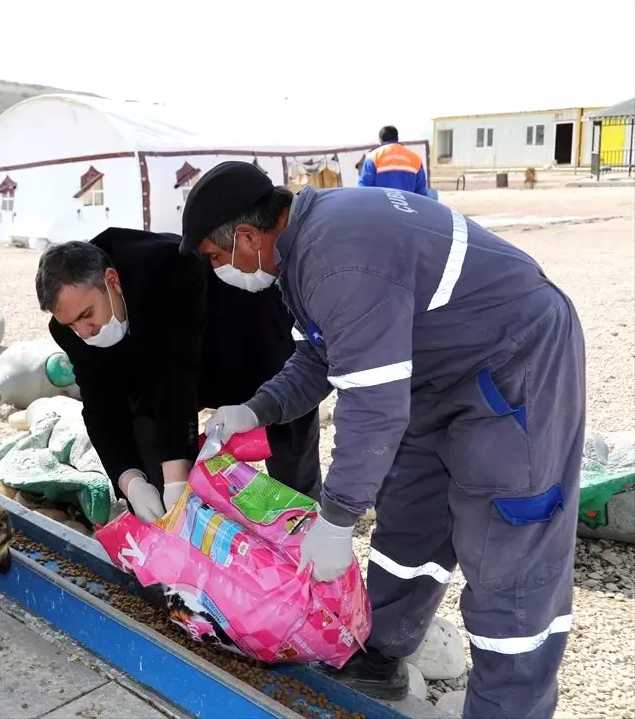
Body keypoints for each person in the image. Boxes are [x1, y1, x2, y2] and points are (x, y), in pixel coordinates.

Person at [178, 162, 584, 719]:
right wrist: (256, 410)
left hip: (514, 363)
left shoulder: (337, 257)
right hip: (432, 369)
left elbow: (372, 406)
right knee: (409, 514)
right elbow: (320, 356)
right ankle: (383, 651)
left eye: (217, 258)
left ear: (248, 237)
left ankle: (509, 707)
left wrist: (338, 515)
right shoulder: (302, 250)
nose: (220, 270)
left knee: (508, 554)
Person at [34, 228, 321, 524]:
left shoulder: (165, 265)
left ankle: (308, 537)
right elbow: (100, 405)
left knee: (291, 458)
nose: (84, 332)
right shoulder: (70, 327)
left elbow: (174, 371)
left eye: (87, 315)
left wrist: (176, 479)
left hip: (249, 342)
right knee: (149, 459)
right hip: (163, 368)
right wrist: (130, 480)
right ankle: (181, 545)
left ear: (112, 280)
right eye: (71, 325)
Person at [359, 125, 430, 197]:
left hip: (379, 207)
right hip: (406, 207)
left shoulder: (372, 157)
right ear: (397, 138)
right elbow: (421, 192)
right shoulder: (415, 158)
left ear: (380, 140)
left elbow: (364, 190)